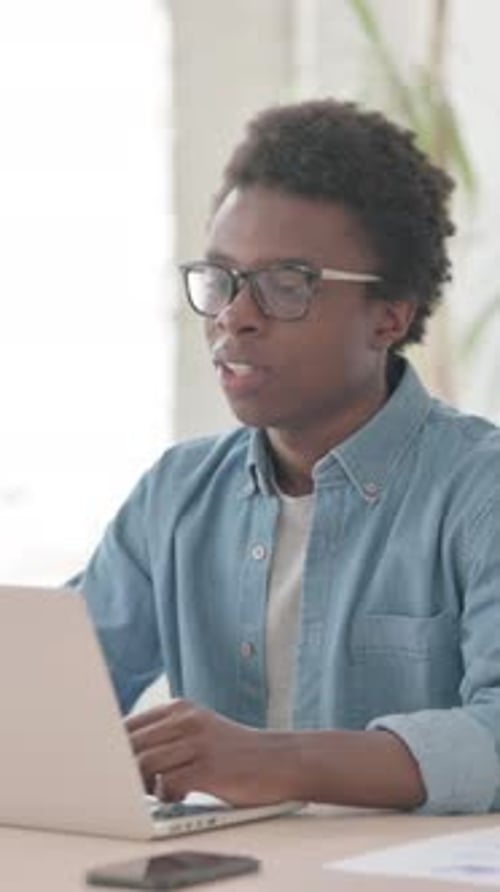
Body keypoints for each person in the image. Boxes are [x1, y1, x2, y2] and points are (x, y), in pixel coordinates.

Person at [72, 98, 500, 816]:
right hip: (224, 863)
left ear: (389, 316)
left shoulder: (480, 493)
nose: (234, 315)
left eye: (286, 285)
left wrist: (277, 761)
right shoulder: (175, 494)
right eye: (221, 278)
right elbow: (53, 692)